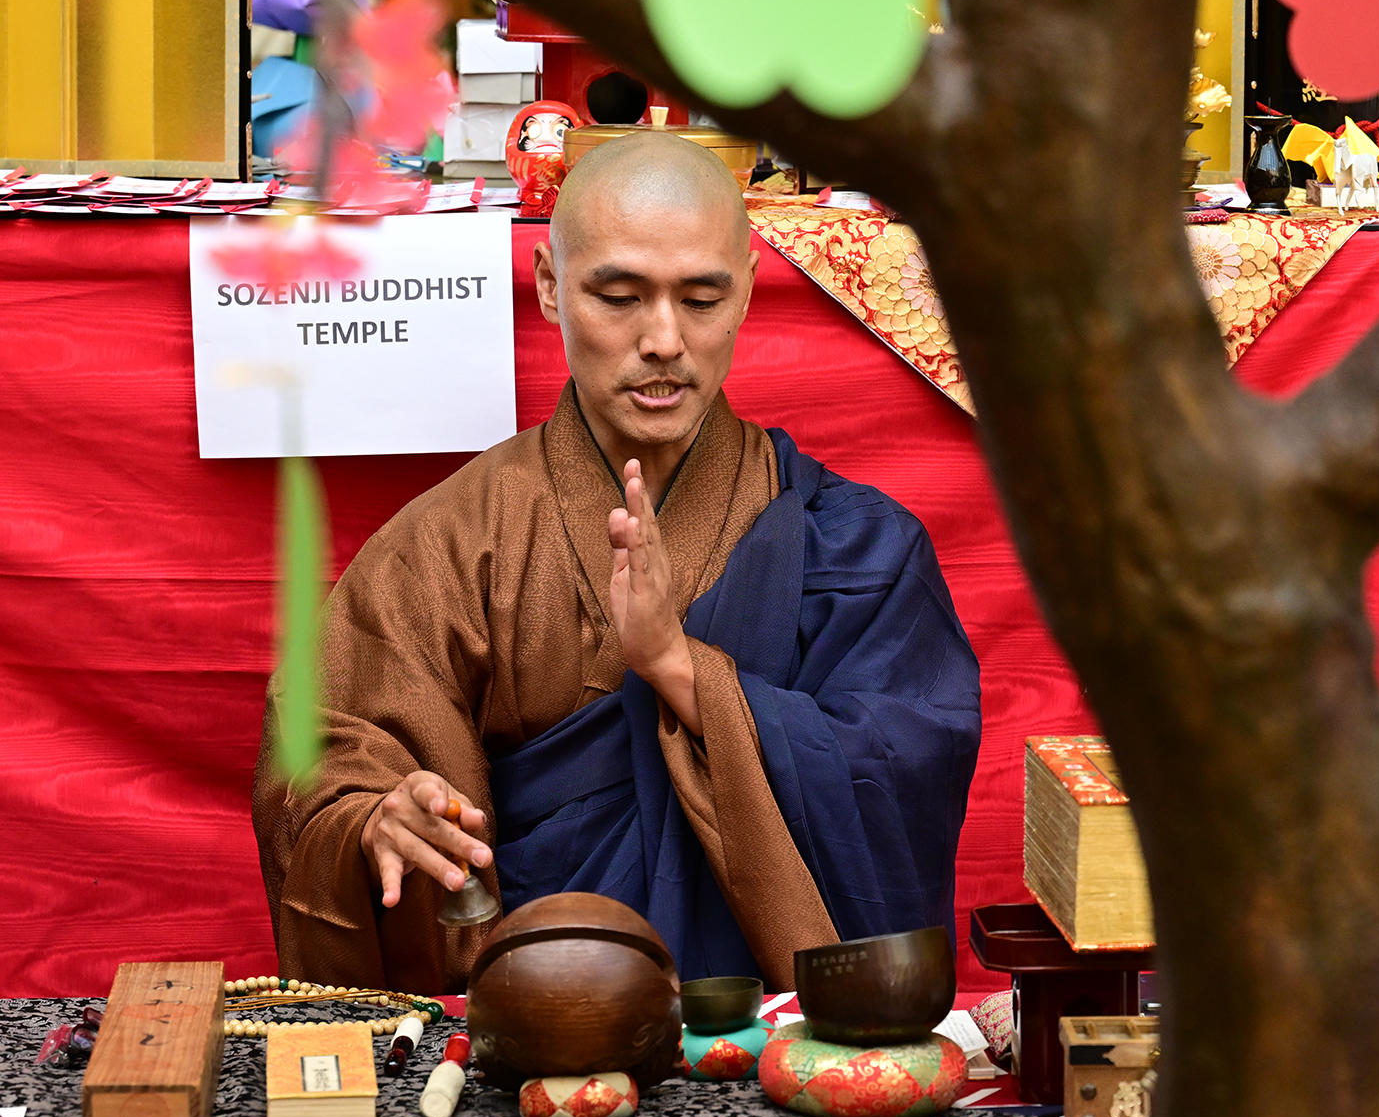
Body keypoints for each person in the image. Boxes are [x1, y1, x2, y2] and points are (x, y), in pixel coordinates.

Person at [251, 131, 981, 992]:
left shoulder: (852, 549)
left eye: (702, 298)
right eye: (621, 295)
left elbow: (904, 767)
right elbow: (322, 749)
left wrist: (681, 669)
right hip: (529, 1025)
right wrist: (376, 821)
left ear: (747, 290)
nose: (664, 339)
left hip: (773, 1049)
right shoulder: (450, 545)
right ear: (550, 286)